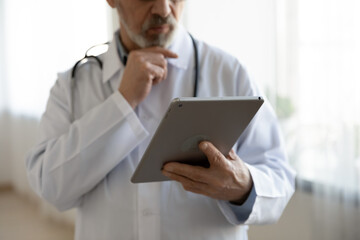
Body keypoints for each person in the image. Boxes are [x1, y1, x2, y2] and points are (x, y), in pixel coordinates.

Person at [26, 0, 296, 239]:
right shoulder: (72, 85)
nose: (164, 9)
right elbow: (51, 187)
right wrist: (122, 102)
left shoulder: (229, 73)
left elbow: (280, 179)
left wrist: (242, 186)